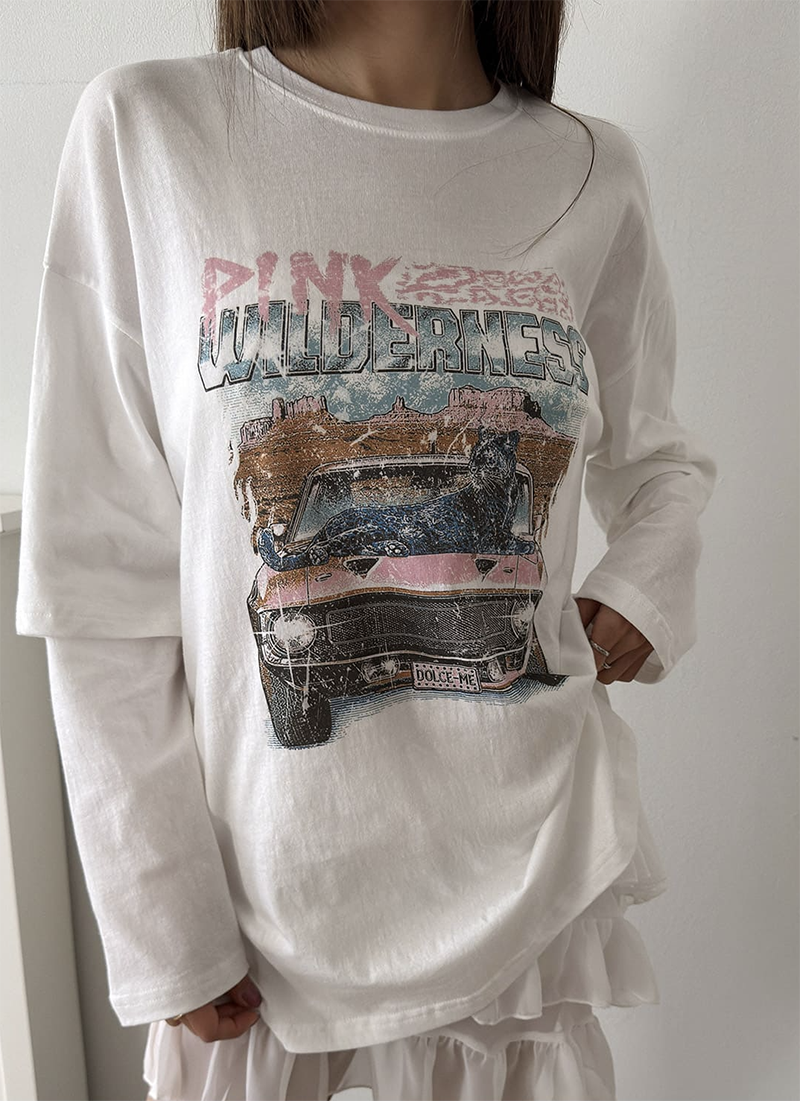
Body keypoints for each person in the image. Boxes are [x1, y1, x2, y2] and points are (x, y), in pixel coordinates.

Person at [15, 1, 717, 1098]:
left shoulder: (590, 172)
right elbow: (100, 574)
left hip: (533, 888)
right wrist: (163, 925)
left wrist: (645, 584)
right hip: (267, 921)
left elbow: (661, 459)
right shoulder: (152, 129)